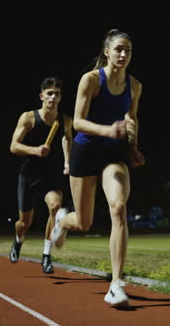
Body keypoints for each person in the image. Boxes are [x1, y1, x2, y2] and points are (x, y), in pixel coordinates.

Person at [51, 29, 145, 309]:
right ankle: (63, 221)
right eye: (118, 49)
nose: (123, 54)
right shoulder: (91, 80)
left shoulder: (135, 86)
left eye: (127, 50)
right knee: (84, 223)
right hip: (86, 151)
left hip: (114, 154)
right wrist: (108, 130)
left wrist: (133, 147)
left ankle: (116, 285)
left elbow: (132, 118)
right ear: (107, 51)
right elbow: (78, 122)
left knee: (118, 208)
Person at [9, 76, 72, 274]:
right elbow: (13, 146)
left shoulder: (65, 120)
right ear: (42, 96)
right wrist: (36, 151)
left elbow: (67, 137)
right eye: (50, 93)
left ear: (60, 98)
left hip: (49, 173)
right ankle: (18, 240)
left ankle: (46, 256)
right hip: (28, 174)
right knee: (24, 223)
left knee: (55, 206)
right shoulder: (28, 117)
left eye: (57, 94)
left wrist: (67, 161)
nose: (53, 97)